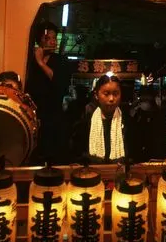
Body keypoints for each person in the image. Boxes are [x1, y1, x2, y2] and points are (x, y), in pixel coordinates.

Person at [25, 21, 70, 164]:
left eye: (54, 38)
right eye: (47, 38)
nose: (52, 42)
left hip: (53, 116)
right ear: (39, 40)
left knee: (53, 156)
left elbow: (60, 84)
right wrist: (36, 60)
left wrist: (41, 63)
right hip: (34, 115)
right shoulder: (29, 61)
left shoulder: (61, 60)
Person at [68, 75, 137, 164]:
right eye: (106, 94)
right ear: (96, 95)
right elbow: (76, 153)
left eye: (115, 94)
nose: (111, 99)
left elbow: (135, 154)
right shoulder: (86, 122)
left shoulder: (128, 122)